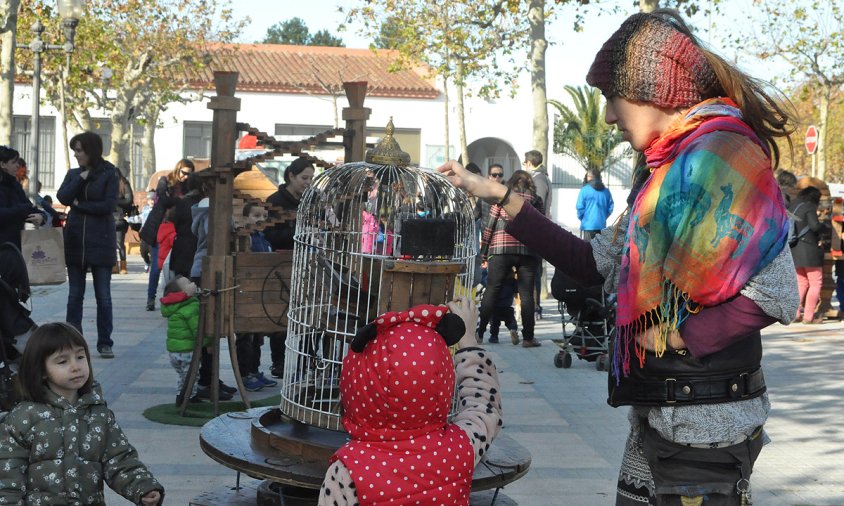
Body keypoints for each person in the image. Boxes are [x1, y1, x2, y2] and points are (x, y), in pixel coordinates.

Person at [438, 9, 798, 504]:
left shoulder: (723, 160)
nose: (607, 116)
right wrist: (493, 192)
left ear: (653, 92)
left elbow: (776, 292)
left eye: (612, 97)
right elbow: (592, 262)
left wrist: (677, 336)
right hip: (662, 415)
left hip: (706, 426)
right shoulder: (665, 173)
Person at [317, 298, 502, 506]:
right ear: (442, 384)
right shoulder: (461, 446)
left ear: (354, 384)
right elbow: (484, 407)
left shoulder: (346, 472)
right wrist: (468, 340)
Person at [0, 322, 164, 504]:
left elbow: (120, 460)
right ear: (42, 371)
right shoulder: (23, 418)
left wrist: (143, 487)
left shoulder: (99, 414)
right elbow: (7, 477)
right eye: (63, 361)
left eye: (80, 357)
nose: (75, 366)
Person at [57, 131, 120, 359]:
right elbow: (63, 197)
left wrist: (80, 206)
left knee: (103, 295)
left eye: (80, 150)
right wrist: (81, 179)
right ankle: (74, 341)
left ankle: (105, 342)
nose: (76, 155)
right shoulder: (74, 174)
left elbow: (108, 206)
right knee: (75, 295)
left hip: (100, 240)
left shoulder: (109, 173)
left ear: (91, 151)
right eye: (74, 150)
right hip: (75, 241)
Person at [478, 169, 542, 347]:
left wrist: (484, 253)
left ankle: (480, 332)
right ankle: (528, 338)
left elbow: (490, 225)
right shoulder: (536, 200)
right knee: (527, 295)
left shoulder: (503, 197)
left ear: (511, 182)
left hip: (500, 249)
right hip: (527, 251)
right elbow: (542, 227)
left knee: (492, 290)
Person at [264, 156, 314, 378]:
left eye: (311, 178)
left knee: (310, 312)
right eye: (304, 178)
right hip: (280, 263)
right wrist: (298, 235)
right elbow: (270, 235)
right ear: (291, 176)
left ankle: (308, 359)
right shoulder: (274, 200)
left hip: (308, 263)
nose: (308, 182)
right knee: (279, 312)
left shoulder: (312, 200)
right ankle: (279, 361)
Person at [235, 203, 278, 392]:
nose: (260, 219)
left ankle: (254, 371)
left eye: (263, 216)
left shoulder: (263, 238)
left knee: (258, 337)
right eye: (255, 215)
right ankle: (243, 374)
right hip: (246, 294)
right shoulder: (246, 239)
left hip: (261, 294)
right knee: (245, 336)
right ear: (245, 218)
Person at [145, 159, 195, 311]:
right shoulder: (165, 181)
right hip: (161, 227)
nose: (186, 176)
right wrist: (180, 201)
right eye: (184, 173)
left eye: (189, 174)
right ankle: (150, 298)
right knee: (156, 266)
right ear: (177, 169)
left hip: (177, 229)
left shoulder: (188, 188)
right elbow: (164, 200)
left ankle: (174, 297)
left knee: (175, 266)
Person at [788, 186, 828, 324]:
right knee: (815, 282)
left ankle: (795, 314)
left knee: (801, 283)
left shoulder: (793, 205)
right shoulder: (810, 207)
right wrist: (826, 226)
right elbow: (815, 226)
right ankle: (808, 316)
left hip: (794, 249)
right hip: (809, 251)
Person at [523, 150, 552, 319]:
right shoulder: (541, 177)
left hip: (538, 231)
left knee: (534, 272)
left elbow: (537, 205)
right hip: (538, 230)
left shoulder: (539, 180)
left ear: (528, 163)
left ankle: (535, 308)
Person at [0, 146, 43, 249]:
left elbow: (29, 207)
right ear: (2, 164)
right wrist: (20, 210)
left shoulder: (15, 185)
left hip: (16, 247)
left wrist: (42, 217)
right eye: (14, 162)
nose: (18, 166)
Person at [483, 266, 520, 345]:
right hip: (507, 306)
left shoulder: (495, 280)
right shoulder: (513, 281)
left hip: (495, 306)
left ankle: (494, 337)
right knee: (511, 321)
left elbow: (485, 282)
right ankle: (513, 329)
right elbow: (516, 292)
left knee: (494, 324)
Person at [576, 168, 614, 239]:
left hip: (588, 225)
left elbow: (579, 207)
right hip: (601, 225)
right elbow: (610, 207)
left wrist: (582, 218)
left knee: (588, 248)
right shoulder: (606, 191)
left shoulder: (584, 190)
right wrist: (603, 216)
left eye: (588, 176)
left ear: (590, 177)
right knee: (599, 249)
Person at [114, 169, 134, 275]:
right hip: (109, 217)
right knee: (112, 244)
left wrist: (114, 200)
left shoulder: (124, 184)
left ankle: (122, 266)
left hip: (119, 218)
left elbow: (129, 200)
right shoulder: (108, 186)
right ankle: (114, 266)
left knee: (119, 243)